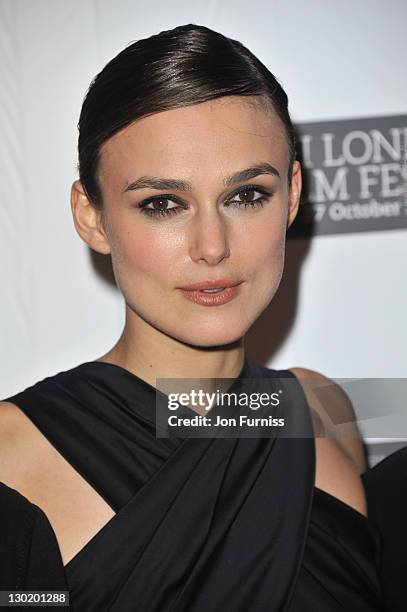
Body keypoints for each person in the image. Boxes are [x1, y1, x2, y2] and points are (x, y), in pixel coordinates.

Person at [0, 23, 383, 611]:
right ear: (93, 217)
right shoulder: (10, 453)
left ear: (293, 194)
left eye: (246, 195)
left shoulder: (319, 411)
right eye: (162, 204)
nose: (211, 245)